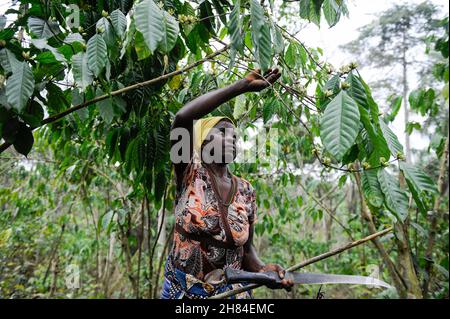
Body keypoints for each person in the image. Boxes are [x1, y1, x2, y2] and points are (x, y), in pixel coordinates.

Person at [161, 68, 293, 299]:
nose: (231, 139)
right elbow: (182, 119)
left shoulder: (245, 190)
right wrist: (240, 86)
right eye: (222, 132)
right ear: (201, 142)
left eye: (234, 136)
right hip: (183, 292)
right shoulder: (190, 172)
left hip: (232, 295)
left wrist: (264, 271)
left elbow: (247, 251)